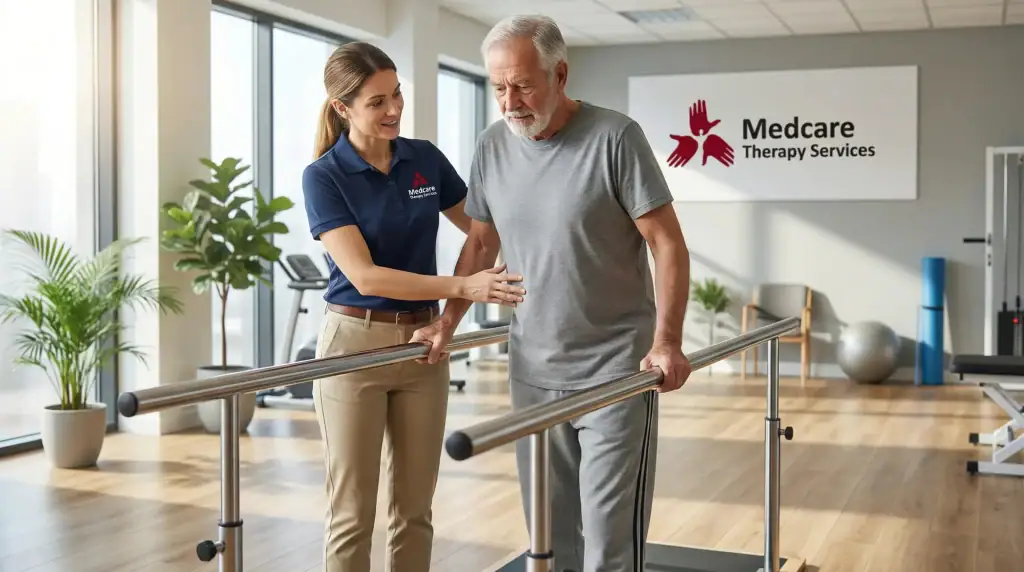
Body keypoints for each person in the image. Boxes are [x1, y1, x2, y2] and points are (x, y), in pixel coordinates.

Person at [410, 14, 693, 572]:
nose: (509, 100)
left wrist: (668, 340)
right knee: (548, 537)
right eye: (497, 87)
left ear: (560, 74)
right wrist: (448, 321)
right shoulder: (492, 147)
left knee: (610, 544)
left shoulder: (615, 138)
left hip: (616, 368)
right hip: (532, 370)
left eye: (522, 84)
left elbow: (667, 244)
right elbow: (480, 245)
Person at [300, 41, 527, 572]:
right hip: (354, 345)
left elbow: (483, 231)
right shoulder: (325, 177)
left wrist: (449, 320)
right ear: (343, 108)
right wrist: (461, 287)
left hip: (424, 343)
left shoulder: (422, 158)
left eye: (396, 94)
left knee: (415, 511)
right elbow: (365, 275)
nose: (394, 109)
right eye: (377, 101)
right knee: (352, 514)